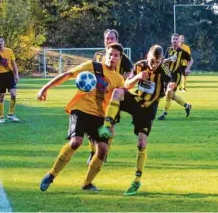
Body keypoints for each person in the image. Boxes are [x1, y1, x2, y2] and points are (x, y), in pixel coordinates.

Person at [38, 43, 124, 192]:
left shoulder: (118, 79)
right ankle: (51, 175)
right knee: (76, 142)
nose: (112, 58)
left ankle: (87, 183)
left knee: (103, 149)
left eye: (116, 55)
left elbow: (117, 103)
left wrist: (112, 123)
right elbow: (68, 74)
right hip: (80, 110)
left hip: (99, 116)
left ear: (120, 58)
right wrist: (45, 88)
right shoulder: (93, 66)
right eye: (110, 54)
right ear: (105, 55)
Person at [98, 45, 173, 196]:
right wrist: (138, 77)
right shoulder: (140, 66)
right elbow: (126, 85)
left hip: (148, 109)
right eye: (152, 61)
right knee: (118, 91)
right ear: (148, 56)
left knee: (141, 143)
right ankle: (107, 125)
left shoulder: (163, 71)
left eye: (158, 62)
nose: (154, 65)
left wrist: (170, 88)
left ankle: (137, 180)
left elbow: (170, 84)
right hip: (136, 101)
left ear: (161, 60)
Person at [86, 29, 133, 164]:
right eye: (107, 38)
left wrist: (120, 81)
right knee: (92, 125)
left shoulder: (121, 56)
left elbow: (131, 70)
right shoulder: (98, 55)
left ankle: (104, 153)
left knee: (110, 125)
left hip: (113, 98)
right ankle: (92, 153)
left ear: (116, 40)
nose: (109, 40)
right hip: (98, 96)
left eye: (112, 38)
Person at [157, 33, 193, 120]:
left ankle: (164, 114)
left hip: (176, 75)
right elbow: (163, 60)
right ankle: (187, 106)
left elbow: (190, 60)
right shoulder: (169, 50)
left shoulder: (182, 52)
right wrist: (169, 59)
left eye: (176, 39)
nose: (175, 41)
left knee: (169, 92)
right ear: (171, 40)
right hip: (167, 75)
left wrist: (188, 68)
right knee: (170, 95)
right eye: (173, 39)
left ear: (179, 41)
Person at [0, 36, 20, 123]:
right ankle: (1, 117)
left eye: (1, 41)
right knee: (1, 97)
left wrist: (16, 74)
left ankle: (10, 114)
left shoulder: (9, 51)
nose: (0, 43)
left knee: (13, 94)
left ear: (4, 42)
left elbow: (14, 64)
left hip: (9, 75)